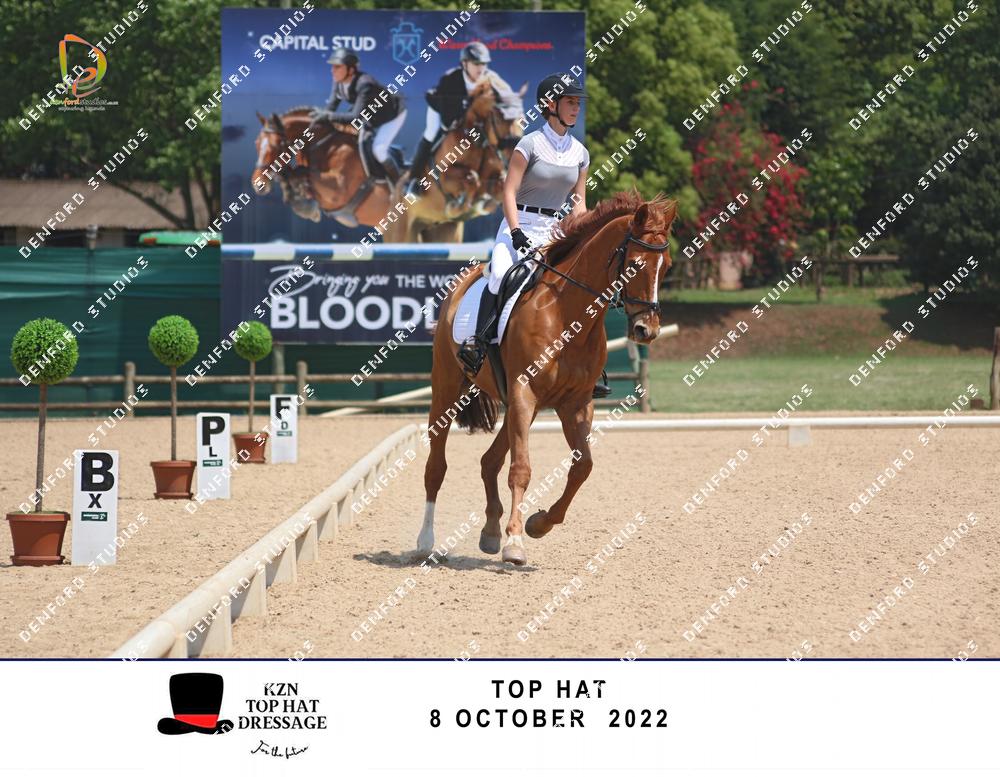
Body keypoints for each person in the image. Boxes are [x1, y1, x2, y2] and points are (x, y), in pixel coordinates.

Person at [457, 72, 611, 398]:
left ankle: (590, 366)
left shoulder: (580, 153)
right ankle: (478, 342)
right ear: (550, 105)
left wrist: (582, 233)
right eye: (570, 102)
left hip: (555, 230)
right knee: (500, 274)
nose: (576, 108)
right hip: (520, 223)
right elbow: (508, 192)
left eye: (577, 103)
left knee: (579, 284)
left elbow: (579, 202)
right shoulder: (528, 145)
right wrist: (515, 233)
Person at [287, 47, 406, 220]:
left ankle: (399, 189)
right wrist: (318, 122)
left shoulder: (365, 83)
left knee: (379, 149)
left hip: (391, 115)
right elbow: (331, 109)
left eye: (337, 67)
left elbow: (355, 117)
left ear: (351, 69)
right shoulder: (338, 82)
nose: (332, 70)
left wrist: (328, 116)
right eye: (332, 67)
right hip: (369, 114)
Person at [405, 42, 514, 197]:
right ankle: (413, 180)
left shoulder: (492, 79)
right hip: (441, 109)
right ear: (464, 63)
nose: (480, 68)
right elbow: (448, 121)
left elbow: (506, 101)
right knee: (431, 133)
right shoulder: (451, 80)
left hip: (467, 117)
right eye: (476, 64)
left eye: (483, 64)